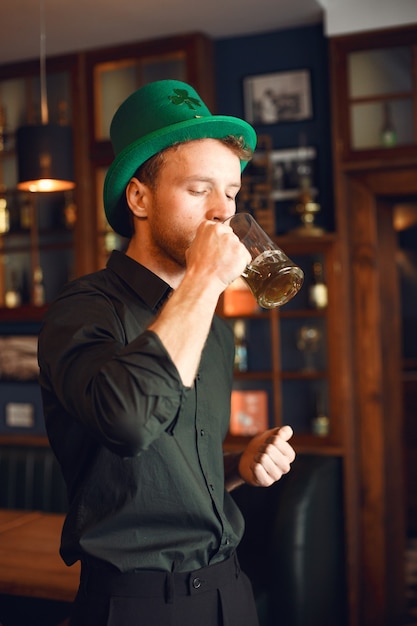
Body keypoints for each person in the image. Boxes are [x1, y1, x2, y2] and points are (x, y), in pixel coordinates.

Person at [38, 79, 296, 626]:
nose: (223, 213)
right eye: (199, 189)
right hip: (134, 606)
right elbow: (128, 424)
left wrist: (236, 467)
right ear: (140, 198)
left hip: (230, 591)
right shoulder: (84, 308)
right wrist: (203, 280)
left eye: (231, 192)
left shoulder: (213, 326)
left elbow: (165, 467)